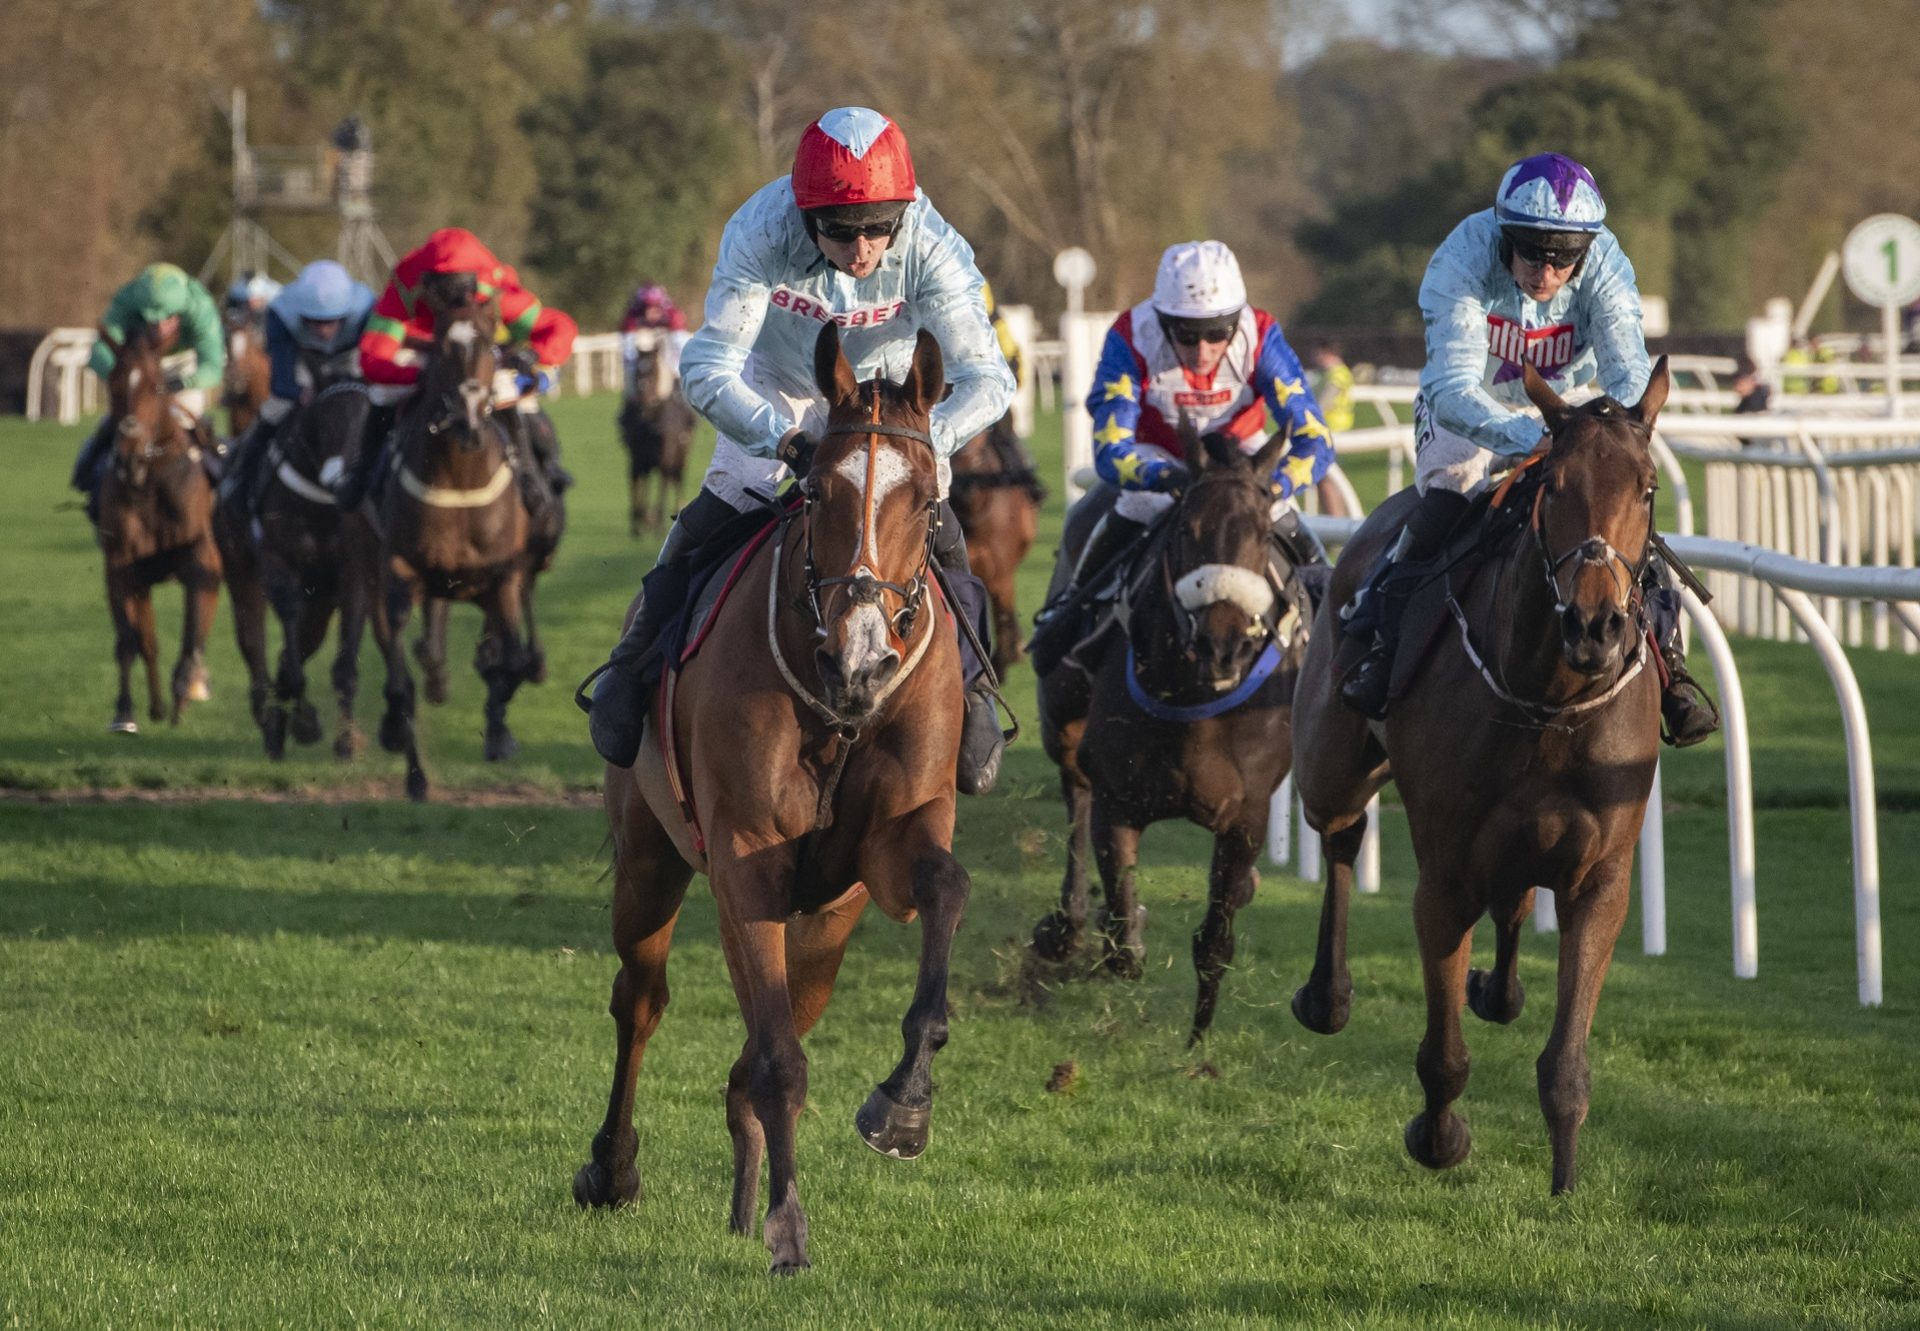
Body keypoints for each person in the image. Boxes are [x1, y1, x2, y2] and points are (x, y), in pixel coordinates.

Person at [580, 106, 1017, 791]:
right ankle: (632, 662)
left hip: (889, 407)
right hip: (777, 386)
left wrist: (920, 442)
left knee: (939, 526)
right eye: (842, 232)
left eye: (880, 227)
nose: (864, 247)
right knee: (726, 501)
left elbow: (991, 378)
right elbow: (707, 366)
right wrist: (781, 437)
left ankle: (975, 684)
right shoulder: (760, 231)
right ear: (806, 214)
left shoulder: (932, 243)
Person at [1334, 151, 1718, 747]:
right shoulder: (1460, 259)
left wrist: (1616, 437)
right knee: (1449, 501)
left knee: (1619, 511)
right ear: (1503, 234)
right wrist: (1526, 437)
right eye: (1532, 251)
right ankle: (1378, 636)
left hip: (1566, 411)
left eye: (1564, 257)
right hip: (1468, 412)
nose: (1546, 271)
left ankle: (1672, 670)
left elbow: (1628, 372)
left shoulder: (1607, 265)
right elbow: (1452, 389)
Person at [1026, 239, 1335, 667]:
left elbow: (1315, 439)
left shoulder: (1261, 334)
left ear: (1237, 322)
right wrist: (1167, 479)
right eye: (1186, 334)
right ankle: (1068, 614)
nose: (1202, 350)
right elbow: (1110, 451)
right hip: (1162, 457)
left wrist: (1273, 485)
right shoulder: (1131, 336)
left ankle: (1334, 619)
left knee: (1281, 510)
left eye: (1218, 333)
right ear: (1162, 321)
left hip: (1238, 460)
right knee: (1138, 500)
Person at [332, 227, 578, 509]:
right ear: (427, 282)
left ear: (475, 285)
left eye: (460, 292)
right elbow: (374, 356)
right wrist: (421, 375)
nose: (452, 302)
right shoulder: (405, 286)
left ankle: (536, 470)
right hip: (426, 355)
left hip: (479, 355)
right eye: (443, 292)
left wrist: (534, 355)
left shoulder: (495, 291)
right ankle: (362, 472)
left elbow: (557, 327)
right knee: (382, 394)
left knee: (511, 391)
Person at [221, 259, 376, 517]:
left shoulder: (368, 308)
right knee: (273, 411)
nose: (323, 330)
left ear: (347, 313)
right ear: (300, 313)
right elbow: (281, 380)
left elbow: (373, 363)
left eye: (331, 321)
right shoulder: (281, 313)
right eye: (314, 321)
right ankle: (240, 483)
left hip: (351, 360)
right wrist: (298, 392)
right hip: (305, 361)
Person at [70, 263, 226, 509]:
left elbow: (213, 366)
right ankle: (89, 472)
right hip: (140, 363)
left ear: (182, 312)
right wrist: (120, 376)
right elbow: (99, 351)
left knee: (187, 419)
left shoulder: (200, 306)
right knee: (122, 420)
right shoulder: (127, 299)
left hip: (183, 365)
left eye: (168, 320)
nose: (160, 328)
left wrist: (183, 382)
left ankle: (214, 482)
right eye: (152, 321)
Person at [1309, 339, 1356, 434]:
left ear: (1327, 354)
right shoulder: (1339, 373)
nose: (1317, 359)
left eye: (1318, 354)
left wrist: (1312, 417)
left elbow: (1326, 400)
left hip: (1334, 424)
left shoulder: (1337, 375)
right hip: (1339, 422)